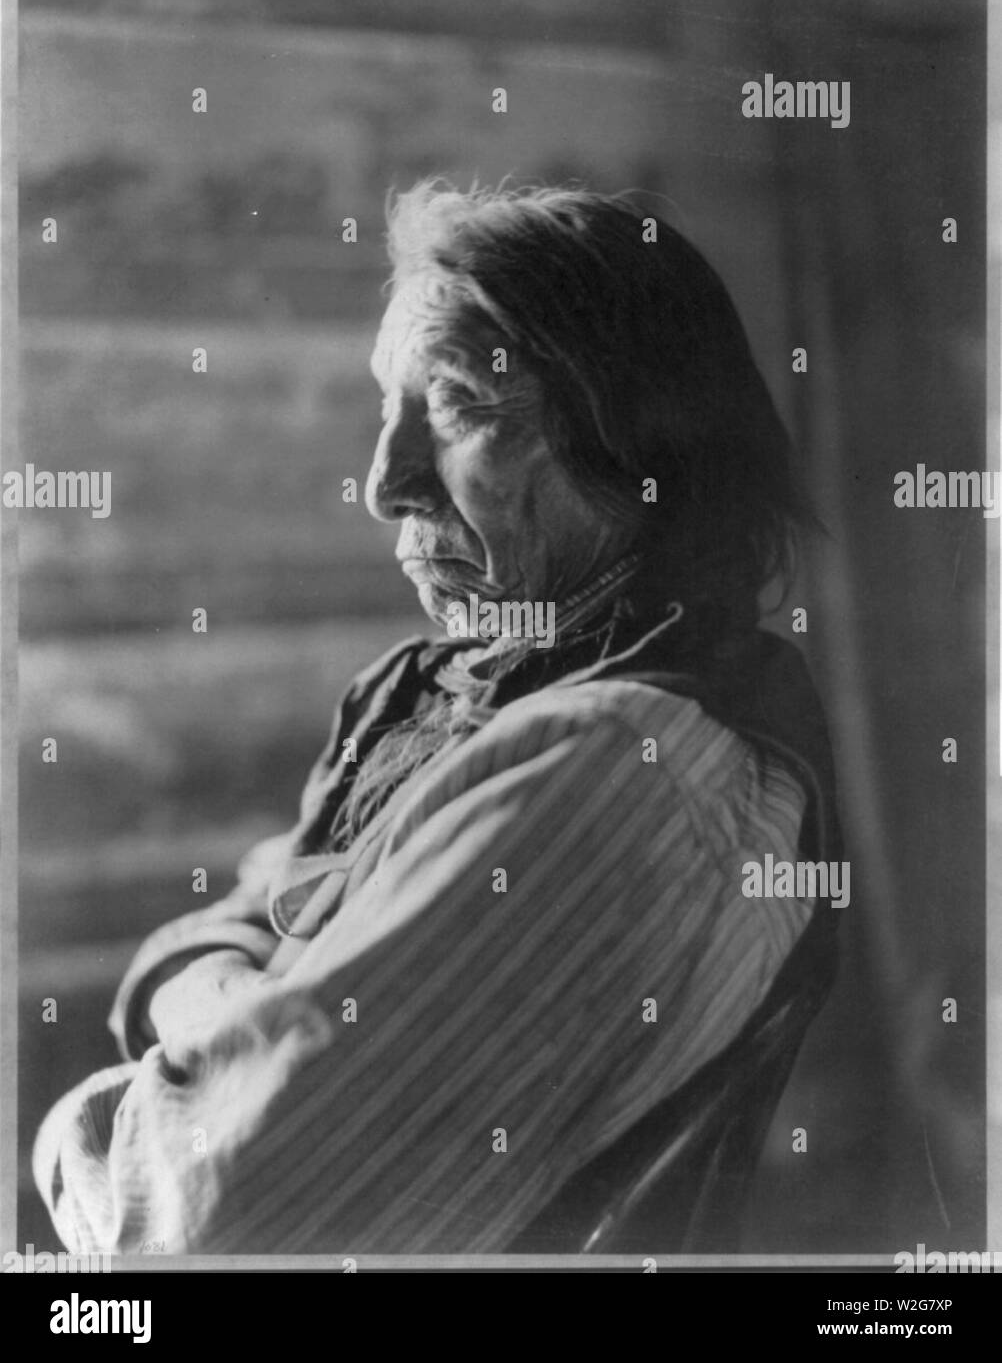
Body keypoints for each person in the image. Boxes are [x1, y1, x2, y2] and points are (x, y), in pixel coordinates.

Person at [34, 180, 841, 1255]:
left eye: (461, 403)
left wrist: (76, 1122)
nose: (383, 481)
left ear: (643, 450)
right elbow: (236, 913)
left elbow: (215, 1222)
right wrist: (236, 1011)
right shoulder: (476, 693)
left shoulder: (613, 768)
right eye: (388, 405)